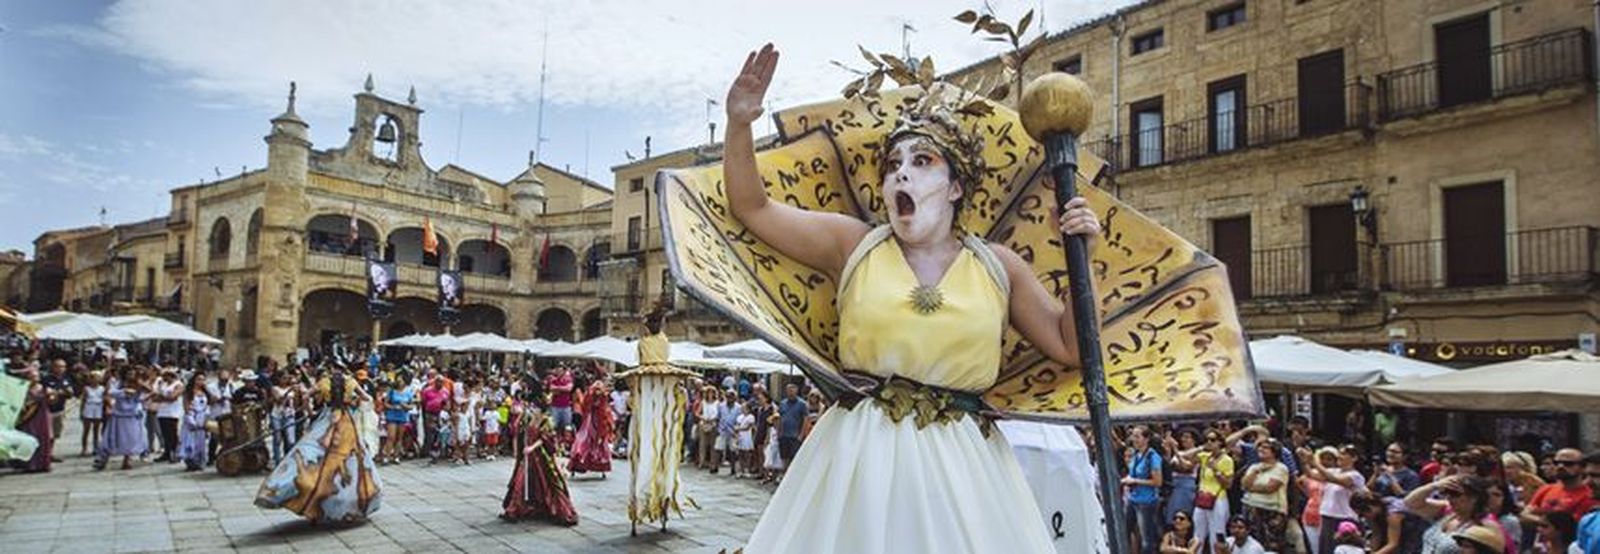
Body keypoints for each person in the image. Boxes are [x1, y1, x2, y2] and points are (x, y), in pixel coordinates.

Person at [726, 41, 1103, 552]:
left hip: (963, 470)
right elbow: (753, 207)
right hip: (859, 461)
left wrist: (1081, 258)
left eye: (922, 161)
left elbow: (1072, 346)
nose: (901, 173)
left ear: (954, 188)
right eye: (893, 165)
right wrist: (740, 123)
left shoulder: (999, 266)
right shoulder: (852, 244)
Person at [255, 363, 382, 523]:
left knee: (311, 453)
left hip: (327, 419)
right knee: (352, 462)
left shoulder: (324, 382)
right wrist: (353, 401)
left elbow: (306, 396)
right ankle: (350, 501)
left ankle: (287, 489)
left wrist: (310, 412)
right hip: (346, 422)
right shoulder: (351, 382)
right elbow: (367, 398)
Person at [500, 391, 578, 525]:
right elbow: (519, 429)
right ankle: (515, 508)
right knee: (520, 481)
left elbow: (545, 438)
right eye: (532, 407)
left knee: (548, 482)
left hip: (541, 456)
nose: (533, 409)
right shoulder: (529, 418)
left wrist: (531, 447)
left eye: (535, 407)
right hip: (528, 456)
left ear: (541, 410)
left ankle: (553, 509)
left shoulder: (547, 421)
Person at [1408, 475, 1508, 554]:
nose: (1449, 498)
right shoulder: (1447, 514)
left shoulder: (1487, 524)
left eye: (1455, 494)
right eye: (1447, 493)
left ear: (1474, 497)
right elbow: (1410, 503)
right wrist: (1435, 485)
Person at [1184, 430, 1236, 554]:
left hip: (1218, 499)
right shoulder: (1205, 456)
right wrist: (1201, 447)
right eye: (1207, 439)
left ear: (1220, 442)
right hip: (1202, 499)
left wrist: (1215, 470)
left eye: (1213, 440)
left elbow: (1228, 484)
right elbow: (1186, 456)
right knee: (1198, 534)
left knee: (1217, 534)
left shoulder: (1227, 460)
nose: (1209, 442)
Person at [1311, 444, 1370, 551]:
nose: (1339, 456)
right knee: (1326, 549)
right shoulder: (1334, 471)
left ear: (1354, 458)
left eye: (1343, 454)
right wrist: (1304, 461)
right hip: (1327, 516)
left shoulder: (1355, 476)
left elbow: (1334, 479)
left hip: (1344, 518)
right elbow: (1311, 474)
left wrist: (1315, 463)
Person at [1522, 449, 1598, 531]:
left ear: (1582, 467)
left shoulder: (1592, 493)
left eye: (1568, 464)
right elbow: (1524, 516)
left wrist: (1539, 517)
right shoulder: (1546, 489)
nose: (1560, 466)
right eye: (1556, 463)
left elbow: (1575, 525)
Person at [1240, 438, 1291, 553]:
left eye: (1265, 448)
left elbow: (1269, 488)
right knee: (1252, 544)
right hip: (1251, 508)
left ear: (1275, 451)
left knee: (1270, 546)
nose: (1261, 449)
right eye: (1260, 447)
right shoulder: (1254, 467)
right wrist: (1255, 472)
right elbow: (1243, 485)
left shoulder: (1281, 468)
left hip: (1272, 511)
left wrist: (1251, 487)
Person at [95, 365, 149, 470]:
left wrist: (141, 387)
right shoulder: (117, 383)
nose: (131, 375)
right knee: (111, 438)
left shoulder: (138, 383)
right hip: (118, 414)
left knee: (130, 438)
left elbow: (148, 392)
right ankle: (103, 459)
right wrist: (124, 391)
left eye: (132, 373)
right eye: (129, 373)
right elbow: (109, 392)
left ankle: (127, 460)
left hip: (132, 414)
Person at [1123, 425, 1165, 554]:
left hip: (1146, 501)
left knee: (1147, 538)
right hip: (1133, 498)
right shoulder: (1136, 454)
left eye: (1137, 436)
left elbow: (1157, 482)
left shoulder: (1152, 457)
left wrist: (1135, 481)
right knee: (1125, 530)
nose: (1134, 439)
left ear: (1146, 439)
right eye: (1133, 436)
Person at [568, 379, 614, 475]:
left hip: (600, 422)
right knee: (583, 439)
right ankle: (579, 460)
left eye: (599, 389)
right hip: (589, 420)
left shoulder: (603, 398)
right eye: (596, 389)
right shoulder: (589, 395)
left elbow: (605, 410)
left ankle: (599, 464)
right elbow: (584, 405)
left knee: (599, 442)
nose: (597, 391)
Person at [13, 366, 53, 472]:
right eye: (33, 376)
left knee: (43, 438)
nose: (36, 377)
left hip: (42, 416)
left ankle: (43, 464)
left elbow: (52, 402)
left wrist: (51, 397)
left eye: (36, 376)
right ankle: (30, 465)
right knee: (29, 438)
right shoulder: (22, 388)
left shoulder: (44, 388)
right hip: (29, 417)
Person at [41, 359, 74, 463]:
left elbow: (70, 393)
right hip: (47, 410)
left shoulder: (66, 379)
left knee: (55, 434)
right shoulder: (46, 379)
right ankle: (44, 454)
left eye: (63, 367)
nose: (60, 369)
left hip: (60, 410)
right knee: (46, 434)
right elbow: (46, 392)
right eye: (58, 366)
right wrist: (61, 392)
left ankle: (50, 453)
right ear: (53, 367)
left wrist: (58, 392)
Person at [177, 374, 209, 471]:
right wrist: (190, 419)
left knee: (201, 442)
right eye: (199, 379)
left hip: (202, 417)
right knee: (190, 440)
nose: (201, 382)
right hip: (192, 417)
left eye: (203, 379)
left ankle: (199, 461)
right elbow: (186, 407)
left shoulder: (205, 392)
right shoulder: (189, 393)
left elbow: (207, 405)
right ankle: (190, 462)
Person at [153, 369, 183, 463]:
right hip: (162, 411)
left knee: (172, 434)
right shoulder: (163, 384)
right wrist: (164, 398)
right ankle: (167, 452)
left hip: (172, 413)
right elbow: (155, 397)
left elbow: (173, 397)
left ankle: (175, 453)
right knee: (165, 433)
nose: (163, 378)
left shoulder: (178, 384)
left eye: (165, 376)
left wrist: (163, 398)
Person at [714, 389, 741, 476]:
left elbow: (740, 419)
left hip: (733, 431)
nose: (730, 399)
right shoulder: (721, 406)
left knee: (733, 450)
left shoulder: (738, 407)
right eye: (728, 397)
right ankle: (715, 466)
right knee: (718, 448)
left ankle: (733, 468)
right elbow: (718, 417)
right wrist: (717, 428)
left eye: (732, 397)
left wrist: (736, 430)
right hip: (722, 429)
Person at [80, 371, 105, 457]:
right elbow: (83, 401)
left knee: (96, 430)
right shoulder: (86, 388)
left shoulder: (102, 388)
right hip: (89, 407)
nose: (95, 380)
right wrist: (81, 412)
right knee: (86, 430)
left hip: (98, 408)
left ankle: (96, 447)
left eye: (97, 377)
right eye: (93, 378)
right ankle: (84, 448)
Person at [734, 401, 756, 478]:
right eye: (742, 408)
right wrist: (736, 434)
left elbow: (748, 427)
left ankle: (747, 469)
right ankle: (740, 469)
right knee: (740, 453)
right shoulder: (739, 417)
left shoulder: (751, 417)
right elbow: (737, 425)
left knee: (747, 454)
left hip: (747, 436)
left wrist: (738, 429)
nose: (743, 409)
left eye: (744, 408)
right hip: (740, 436)